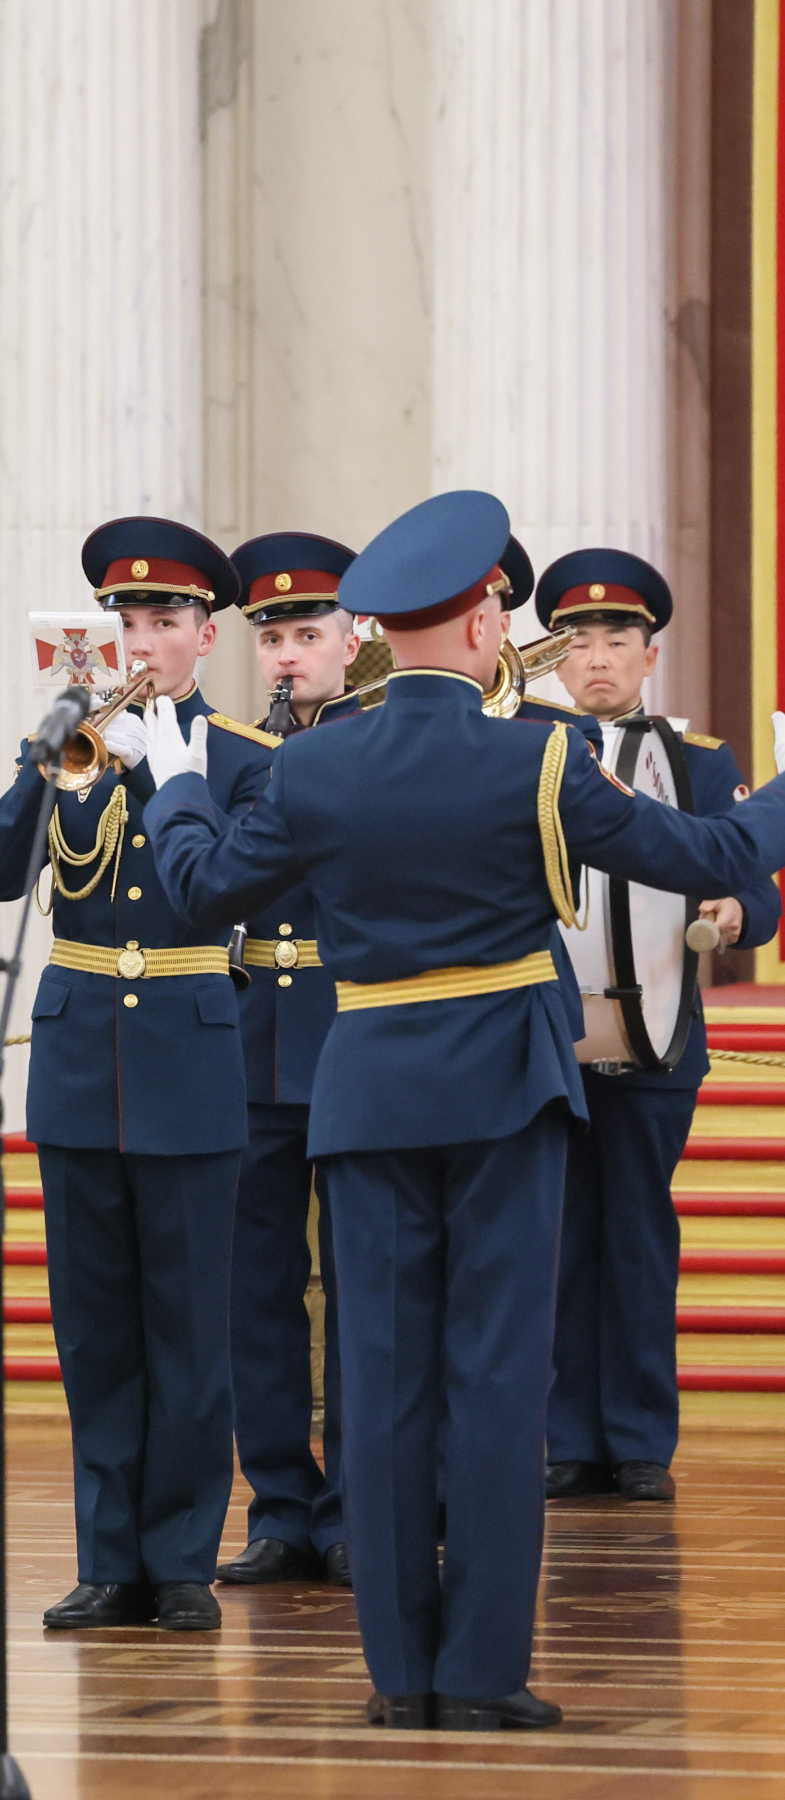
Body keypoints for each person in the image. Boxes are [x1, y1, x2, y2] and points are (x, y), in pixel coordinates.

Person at [138, 488, 785, 1730]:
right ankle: (483, 1673)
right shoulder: (538, 759)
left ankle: (400, 1677)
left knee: (379, 1381)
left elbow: (204, 890)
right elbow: (708, 857)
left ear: (378, 633)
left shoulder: (313, 763)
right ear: (486, 623)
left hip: (367, 1089)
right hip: (504, 1091)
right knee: (494, 1382)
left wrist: (175, 787)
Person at [0, 518, 277, 1634]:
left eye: (164, 621)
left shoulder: (244, 759)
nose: (142, 642)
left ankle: (181, 1558)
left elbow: (226, 890)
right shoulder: (70, 740)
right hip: (80, 1057)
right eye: (127, 622)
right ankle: (109, 1558)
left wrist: (158, 779)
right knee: (94, 1330)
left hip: (189, 1057)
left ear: (206, 636)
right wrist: (40, 762)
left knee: (188, 1325)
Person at [533, 550, 777, 1506]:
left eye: (617, 640)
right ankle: (566, 1437)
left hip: (660, 1037)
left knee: (638, 1233)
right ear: (553, 657)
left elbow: (754, 884)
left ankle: (637, 1439)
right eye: (579, 641)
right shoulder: (524, 749)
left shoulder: (698, 760)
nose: (598, 658)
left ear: (651, 654)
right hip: (548, 1038)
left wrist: (736, 913)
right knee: (557, 1237)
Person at [215, 532, 358, 1590]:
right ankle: (278, 1503)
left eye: (307, 634)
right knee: (254, 1289)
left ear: (353, 641)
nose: (288, 656)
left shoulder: (378, 744)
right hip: (250, 1039)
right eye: (272, 640)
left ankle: (358, 1504)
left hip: (350, 1036)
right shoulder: (226, 751)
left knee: (361, 1289)